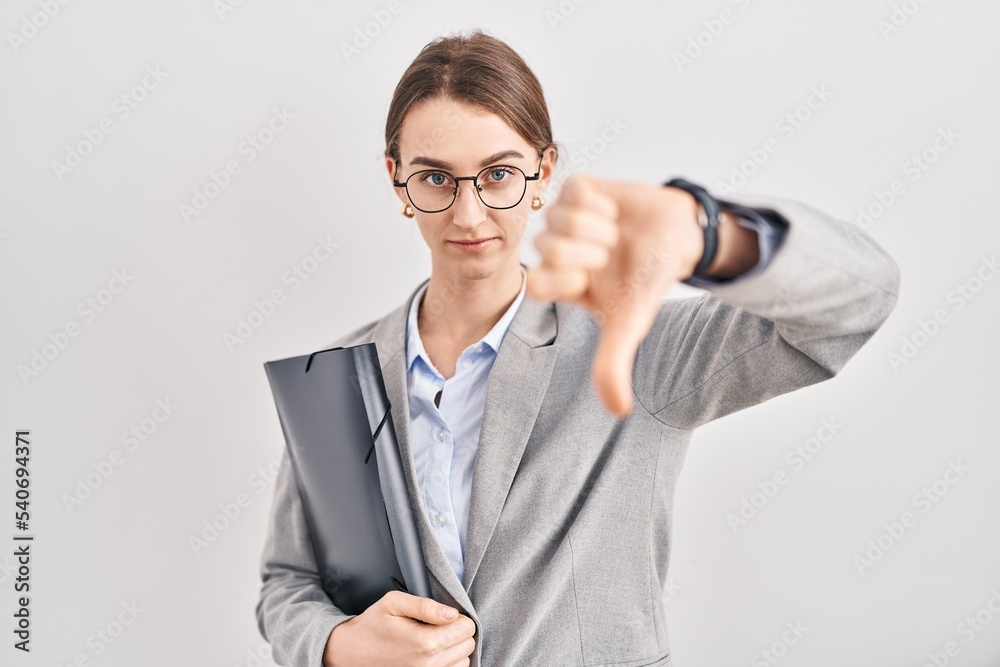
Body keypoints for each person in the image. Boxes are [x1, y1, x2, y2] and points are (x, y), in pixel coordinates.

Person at [255, 30, 900, 667]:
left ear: (544, 171)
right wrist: (336, 645)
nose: (470, 214)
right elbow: (288, 580)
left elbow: (856, 304)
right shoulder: (335, 377)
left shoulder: (635, 347)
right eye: (434, 178)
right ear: (398, 182)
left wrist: (708, 233)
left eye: (499, 174)